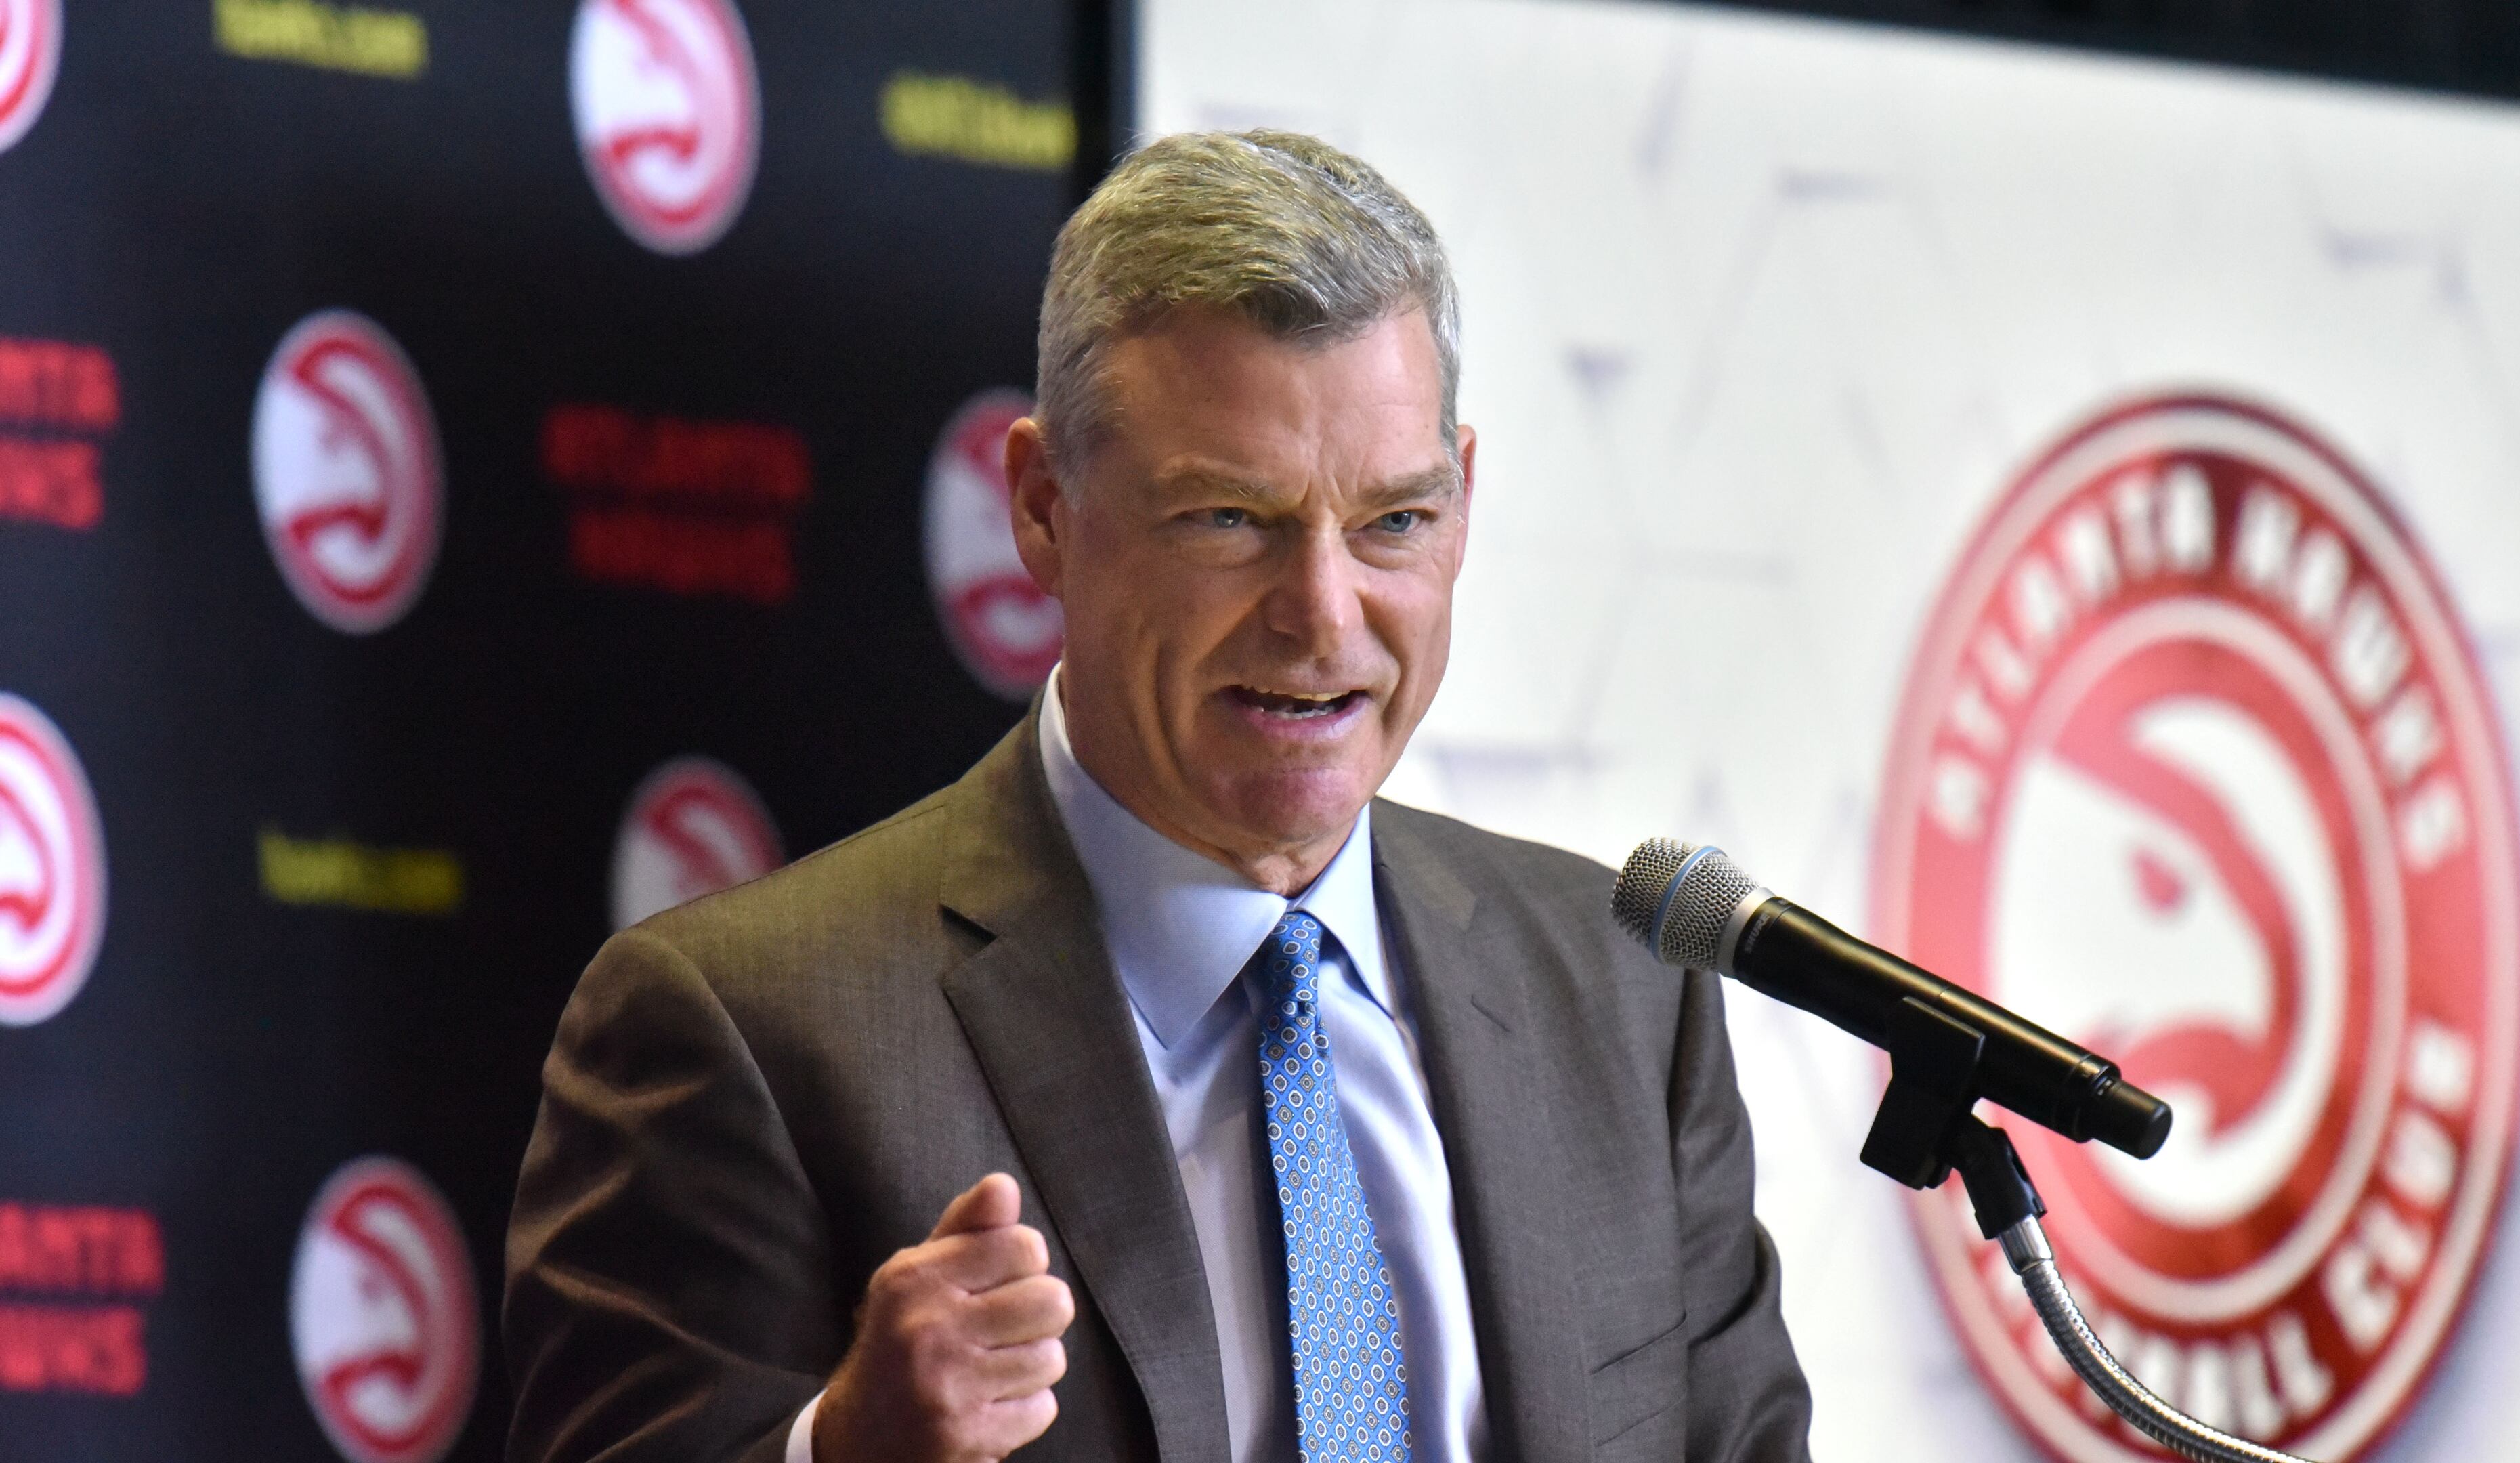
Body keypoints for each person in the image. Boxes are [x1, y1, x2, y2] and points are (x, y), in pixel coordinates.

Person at [502, 129, 1812, 1463]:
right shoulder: (747, 1029)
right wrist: (842, 1454)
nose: (1321, 615)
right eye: (1227, 520)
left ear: (1464, 503)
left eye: (1394, 523)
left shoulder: (1623, 996)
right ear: (1042, 507)